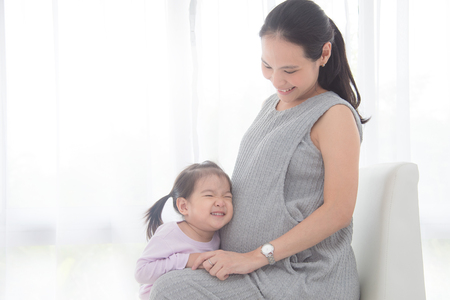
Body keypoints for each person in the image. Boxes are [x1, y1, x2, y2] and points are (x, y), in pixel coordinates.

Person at [150, 0, 367, 299]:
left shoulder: (334, 115)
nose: (277, 80)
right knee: (162, 279)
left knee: (169, 291)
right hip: (255, 270)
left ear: (324, 54)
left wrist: (254, 256)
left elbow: (338, 211)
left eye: (290, 69)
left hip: (303, 277)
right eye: (267, 65)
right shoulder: (271, 106)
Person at [134, 161, 233, 300]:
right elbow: (141, 273)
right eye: (209, 195)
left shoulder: (220, 235)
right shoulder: (169, 234)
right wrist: (186, 260)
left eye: (227, 196)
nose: (220, 202)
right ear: (184, 206)